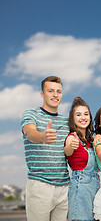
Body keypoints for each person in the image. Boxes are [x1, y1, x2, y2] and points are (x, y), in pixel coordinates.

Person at [21, 76, 70, 221]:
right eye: (50, 91)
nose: (55, 95)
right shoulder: (31, 114)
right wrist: (42, 137)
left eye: (59, 91)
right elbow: (29, 132)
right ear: (42, 94)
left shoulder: (67, 122)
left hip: (64, 187)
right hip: (40, 185)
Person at [64, 97, 100, 221]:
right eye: (78, 115)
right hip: (81, 187)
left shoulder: (91, 140)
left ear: (90, 117)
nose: (83, 117)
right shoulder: (71, 137)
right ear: (73, 118)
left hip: (95, 186)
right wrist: (70, 146)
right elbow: (67, 150)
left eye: (86, 114)